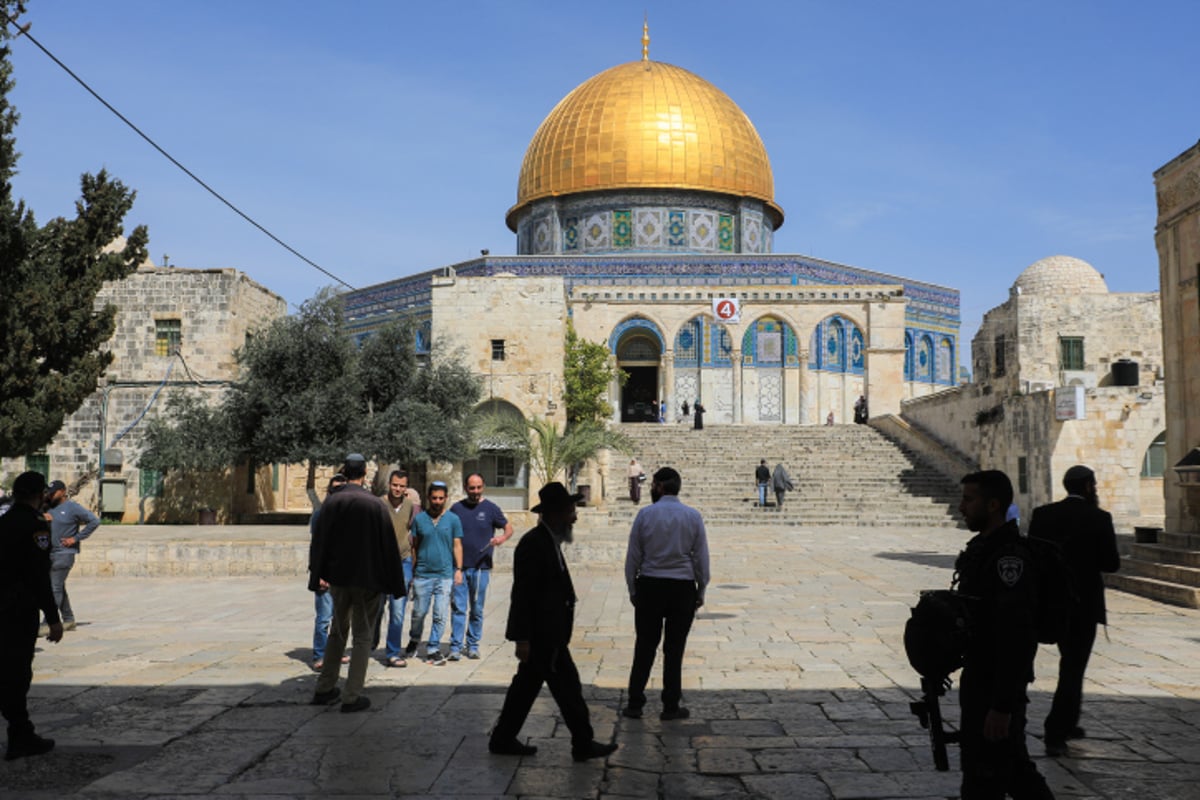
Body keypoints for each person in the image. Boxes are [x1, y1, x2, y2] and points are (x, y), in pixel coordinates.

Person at [489, 482, 617, 762]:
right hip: (543, 636)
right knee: (568, 691)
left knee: (526, 689)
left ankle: (502, 739)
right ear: (556, 514)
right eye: (571, 511)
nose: (575, 517)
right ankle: (582, 744)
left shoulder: (548, 541)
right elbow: (522, 595)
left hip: (549, 635)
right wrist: (521, 638)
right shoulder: (534, 544)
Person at [954, 470, 1054, 799]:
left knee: (998, 775)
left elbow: (1017, 636)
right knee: (1002, 771)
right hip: (981, 680)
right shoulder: (983, 550)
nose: (961, 507)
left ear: (993, 504)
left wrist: (1002, 705)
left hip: (994, 687)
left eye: (969, 499)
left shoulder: (1008, 559)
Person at [1028, 465, 1120, 757]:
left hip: (1048, 603)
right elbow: (1111, 563)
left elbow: (1033, 557)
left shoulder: (1042, 515)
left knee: (1069, 664)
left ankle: (1069, 722)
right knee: (1073, 667)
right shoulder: (1099, 518)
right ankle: (1056, 730)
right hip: (1082, 605)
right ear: (1088, 487)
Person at [309, 453, 406, 713]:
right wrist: (396, 584)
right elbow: (388, 547)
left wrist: (316, 575)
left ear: (345, 470)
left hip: (339, 580)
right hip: (367, 581)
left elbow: (319, 543)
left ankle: (325, 687)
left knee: (337, 631)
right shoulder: (374, 505)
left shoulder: (331, 503)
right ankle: (352, 696)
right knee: (362, 636)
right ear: (364, 473)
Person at [622, 467, 709, 721]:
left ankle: (635, 703)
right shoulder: (692, 516)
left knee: (645, 646)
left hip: (650, 585)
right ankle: (671, 705)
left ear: (659, 487)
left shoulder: (645, 515)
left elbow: (633, 557)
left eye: (653, 485)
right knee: (674, 649)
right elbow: (701, 558)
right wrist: (701, 589)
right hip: (682, 588)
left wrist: (632, 588)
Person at [0, 471, 64, 760]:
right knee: (17, 672)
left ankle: (20, 730)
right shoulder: (35, 525)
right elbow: (38, 576)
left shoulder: (4, 522)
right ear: (40, 495)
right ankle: (21, 734)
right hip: (18, 610)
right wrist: (53, 618)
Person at [448, 473, 513, 661]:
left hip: (480, 568)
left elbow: (508, 528)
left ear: (483, 486)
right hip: (459, 568)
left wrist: (501, 538)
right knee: (459, 608)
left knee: (476, 608)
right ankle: (455, 646)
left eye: (478, 487)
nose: (475, 492)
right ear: (465, 488)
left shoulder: (491, 509)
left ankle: (473, 645)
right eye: (471, 488)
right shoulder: (456, 509)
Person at [406, 480, 463, 665]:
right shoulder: (420, 519)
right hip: (423, 574)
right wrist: (414, 571)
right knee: (419, 613)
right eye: (434, 498)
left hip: (444, 575)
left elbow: (457, 545)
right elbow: (414, 546)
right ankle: (415, 639)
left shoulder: (453, 519)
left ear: (446, 498)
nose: (437, 501)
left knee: (440, 614)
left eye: (440, 498)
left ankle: (433, 648)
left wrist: (459, 569)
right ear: (429, 498)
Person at [43, 479, 100, 632]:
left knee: (53, 587)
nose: (50, 495)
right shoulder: (47, 507)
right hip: (49, 553)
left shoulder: (72, 507)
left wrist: (75, 538)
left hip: (64, 553)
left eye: (53, 492)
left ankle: (48, 622)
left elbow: (94, 521)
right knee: (58, 586)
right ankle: (68, 620)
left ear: (62, 491)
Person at [308, 472, 348, 670]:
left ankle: (337, 653)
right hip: (325, 574)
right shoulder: (320, 515)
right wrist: (319, 573)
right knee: (324, 618)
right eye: (335, 490)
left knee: (340, 618)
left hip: (343, 575)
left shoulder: (349, 516)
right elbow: (316, 547)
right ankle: (320, 655)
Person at [377, 470, 416, 668]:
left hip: (404, 562)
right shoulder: (378, 505)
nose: (398, 489)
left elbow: (414, 533)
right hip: (381, 563)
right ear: (389, 484)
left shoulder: (410, 506)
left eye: (402, 486)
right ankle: (369, 642)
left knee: (398, 610)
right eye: (395, 485)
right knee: (376, 608)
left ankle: (392, 652)